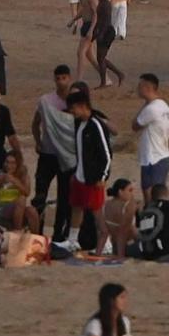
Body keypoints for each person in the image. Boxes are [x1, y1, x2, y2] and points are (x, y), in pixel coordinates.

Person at [32, 66, 78, 245]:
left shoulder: (75, 101)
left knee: (64, 196)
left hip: (66, 157)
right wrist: (37, 141)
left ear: (70, 78)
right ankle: (37, 232)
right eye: (58, 78)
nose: (61, 82)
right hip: (47, 154)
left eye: (64, 78)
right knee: (40, 195)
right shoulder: (46, 101)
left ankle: (59, 235)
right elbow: (36, 123)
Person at [67, 88, 114, 255]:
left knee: (96, 210)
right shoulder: (79, 124)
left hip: (94, 177)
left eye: (73, 109)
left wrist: (103, 176)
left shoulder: (96, 125)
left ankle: (106, 241)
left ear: (82, 106)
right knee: (77, 206)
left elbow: (107, 154)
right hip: (80, 174)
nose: (72, 113)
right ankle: (72, 240)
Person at [134, 74, 169, 202]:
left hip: (153, 157)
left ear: (148, 87)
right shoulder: (163, 106)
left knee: (151, 195)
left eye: (140, 86)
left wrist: (145, 105)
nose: (137, 89)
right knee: (153, 193)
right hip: (160, 154)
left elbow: (135, 125)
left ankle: (154, 219)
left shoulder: (151, 108)